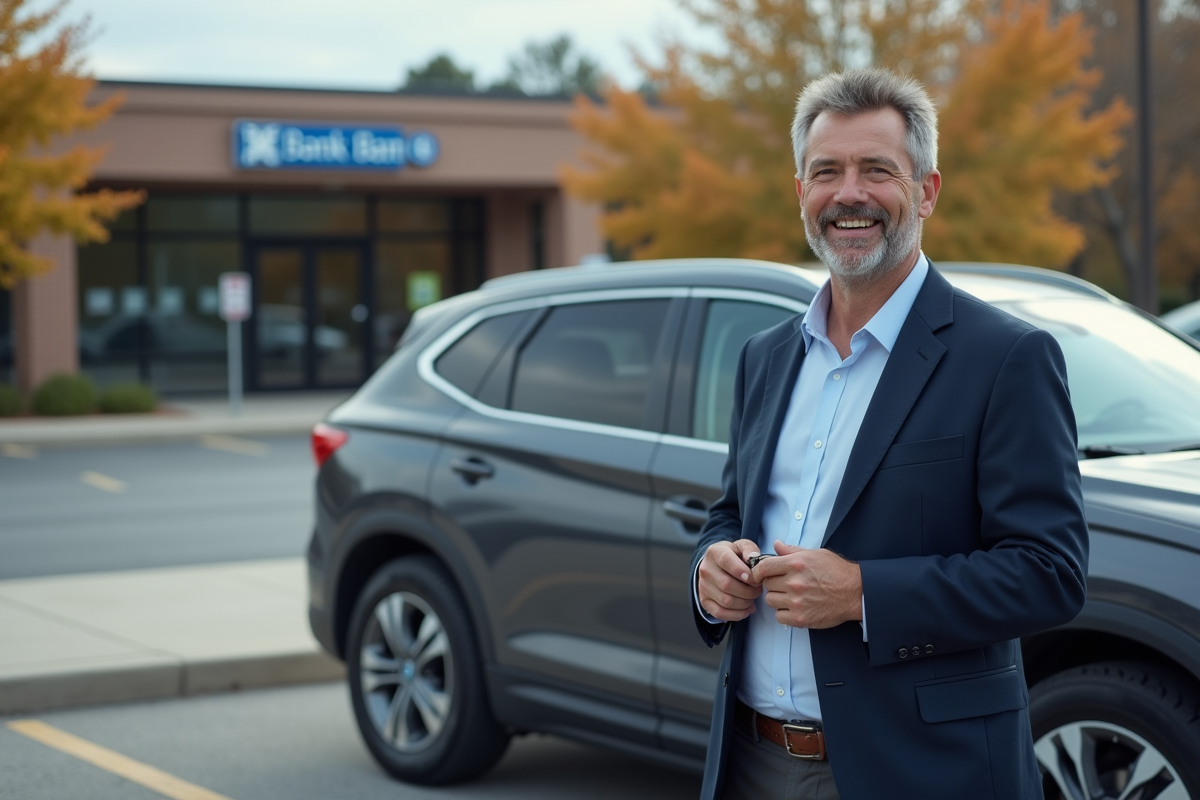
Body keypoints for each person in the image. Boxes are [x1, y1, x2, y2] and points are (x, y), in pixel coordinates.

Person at [690, 67, 1089, 800]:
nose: (849, 194)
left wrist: (863, 593)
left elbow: (1049, 572)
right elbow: (732, 514)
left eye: (877, 170)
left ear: (927, 191)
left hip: (920, 769)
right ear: (801, 193)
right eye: (827, 172)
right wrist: (709, 572)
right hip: (750, 761)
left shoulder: (1004, 358)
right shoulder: (765, 356)